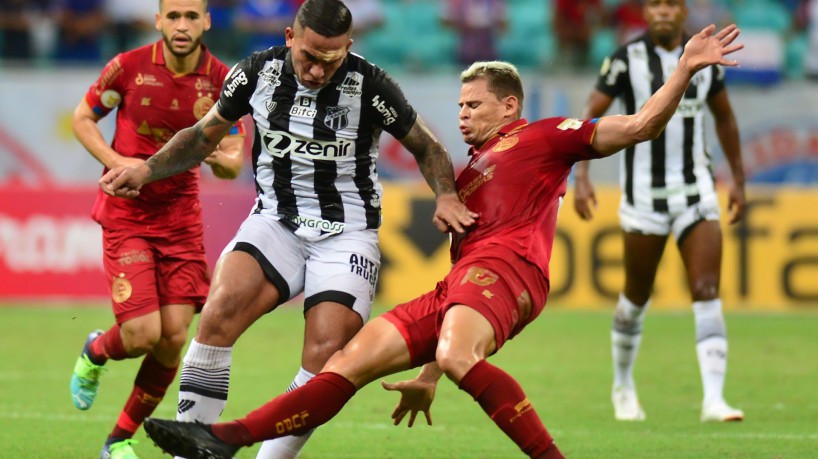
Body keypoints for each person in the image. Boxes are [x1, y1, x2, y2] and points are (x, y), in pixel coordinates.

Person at [133, 23, 743, 459]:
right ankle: (221, 439)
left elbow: (637, 125)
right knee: (348, 360)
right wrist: (424, 376)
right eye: (458, 104)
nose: (462, 114)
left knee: (456, 355)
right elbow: (461, 296)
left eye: (474, 104)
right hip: (463, 285)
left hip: (511, 272)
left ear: (510, 106)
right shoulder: (473, 170)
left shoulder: (547, 136)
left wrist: (685, 68)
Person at [96, 1, 475, 458]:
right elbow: (202, 136)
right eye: (308, 57)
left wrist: (447, 195)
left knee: (324, 356)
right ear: (290, 37)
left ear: (348, 48)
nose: (317, 71)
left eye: (330, 60)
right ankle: (189, 452)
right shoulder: (256, 72)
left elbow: (427, 147)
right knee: (217, 313)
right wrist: (147, 169)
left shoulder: (370, 84)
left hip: (347, 233)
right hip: (276, 222)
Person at [68, 0, 245, 458]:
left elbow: (232, 162)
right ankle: (96, 351)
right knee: (143, 335)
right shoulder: (126, 68)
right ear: (158, 21)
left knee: (172, 340)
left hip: (180, 219)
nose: (182, 25)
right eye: (174, 16)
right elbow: (82, 118)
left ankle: (118, 440)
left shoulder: (225, 81)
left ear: (206, 21)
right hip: (127, 212)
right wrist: (117, 162)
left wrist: (203, 152)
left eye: (192, 17)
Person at [572, 0, 746, 422]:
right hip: (643, 198)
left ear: (683, 11)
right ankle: (623, 385)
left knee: (706, 291)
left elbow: (724, 118)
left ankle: (714, 399)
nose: (663, 12)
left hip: (695, 191)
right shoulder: (624, 60)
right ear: (645, 12)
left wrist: (739, 179)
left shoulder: (705, 54)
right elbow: (590, 116)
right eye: (655, 4)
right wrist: (581, 177)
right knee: (636, 296)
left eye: (671, 4)